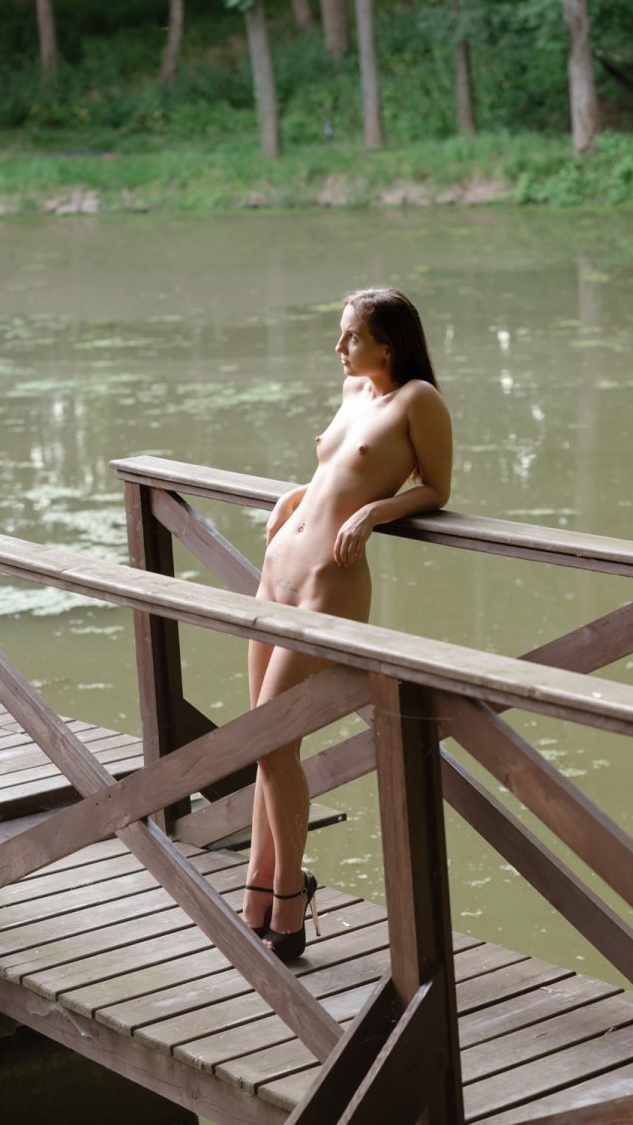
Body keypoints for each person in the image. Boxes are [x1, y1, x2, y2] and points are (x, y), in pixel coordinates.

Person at [242, 287, 453, 961]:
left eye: (351, 337)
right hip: (277, 571)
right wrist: (296, 493)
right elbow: (333, 472)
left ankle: (290, 893)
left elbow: (437, 488)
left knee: (274, 745)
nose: (339, 348)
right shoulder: (353, 391)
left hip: (327, 584)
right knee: (261, 740)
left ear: (387, 345)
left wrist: (375, 513)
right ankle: (257, 891)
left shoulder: (418, 400)